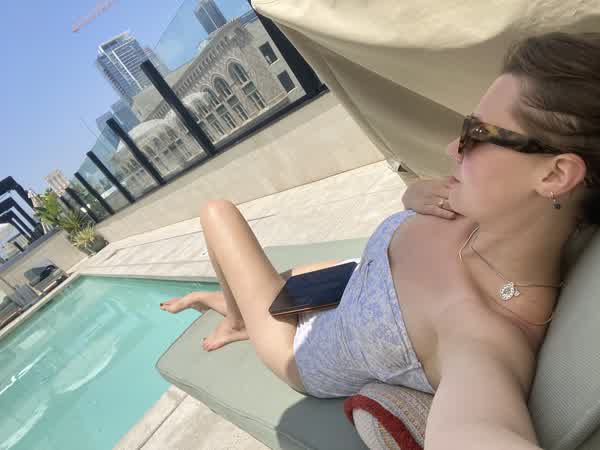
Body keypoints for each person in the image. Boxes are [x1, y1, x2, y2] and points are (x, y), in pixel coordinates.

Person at [160, 32, 600, 449]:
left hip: (299, 347)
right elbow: (420, 207)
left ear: (554, 175)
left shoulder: (481, 337)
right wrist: (412, 195)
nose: (453, 147)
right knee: (275, 278)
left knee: (215, 212)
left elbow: (476, 429)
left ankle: (239, 320)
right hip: (350, 284)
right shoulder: (489, 215)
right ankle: (233, 306)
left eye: (478, 134)